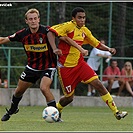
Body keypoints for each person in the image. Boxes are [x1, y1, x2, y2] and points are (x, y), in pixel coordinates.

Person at [49, 7, 128, 121]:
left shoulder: (85, 31)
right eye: (79, 18)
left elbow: (96, 43)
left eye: (84, 17)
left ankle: (116, 112)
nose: (82, 20)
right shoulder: (67, 26)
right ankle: (57, 110)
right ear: (73, 18)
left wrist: (108, 49)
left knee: (98, 84)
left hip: (80, 65)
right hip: (65, 68)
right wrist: (54, 48)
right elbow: (51, 31)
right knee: (69, 98)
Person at [0, 8, 63, 122]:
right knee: (18, 91)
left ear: (39, 19)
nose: (33, 21)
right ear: (26, 21)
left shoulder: (47, 31)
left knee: (44, 87)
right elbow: (5, 39)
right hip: (32, 67)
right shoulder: (22, 34)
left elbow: (62, 37)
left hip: (48, 66)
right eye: (30, 19)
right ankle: (13, 109)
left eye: (35, 18)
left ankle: (56, 115)